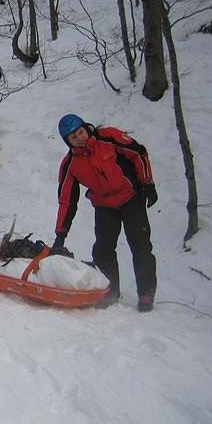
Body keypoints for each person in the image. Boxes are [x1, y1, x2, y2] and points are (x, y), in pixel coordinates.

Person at [53, 114, 158, 312]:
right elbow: (67, 201)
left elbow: (138, 153)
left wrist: (147, 184)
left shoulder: (108, 137)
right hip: (104, 205)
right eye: (73, 137)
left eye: (80, 132)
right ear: (67, 142)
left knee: (140, 245)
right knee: (102, 250)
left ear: (86, 128)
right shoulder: (70, 165)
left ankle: (146, 292)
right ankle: (110, 292)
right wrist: (61, 234)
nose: (79, 138)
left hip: (131, 198)